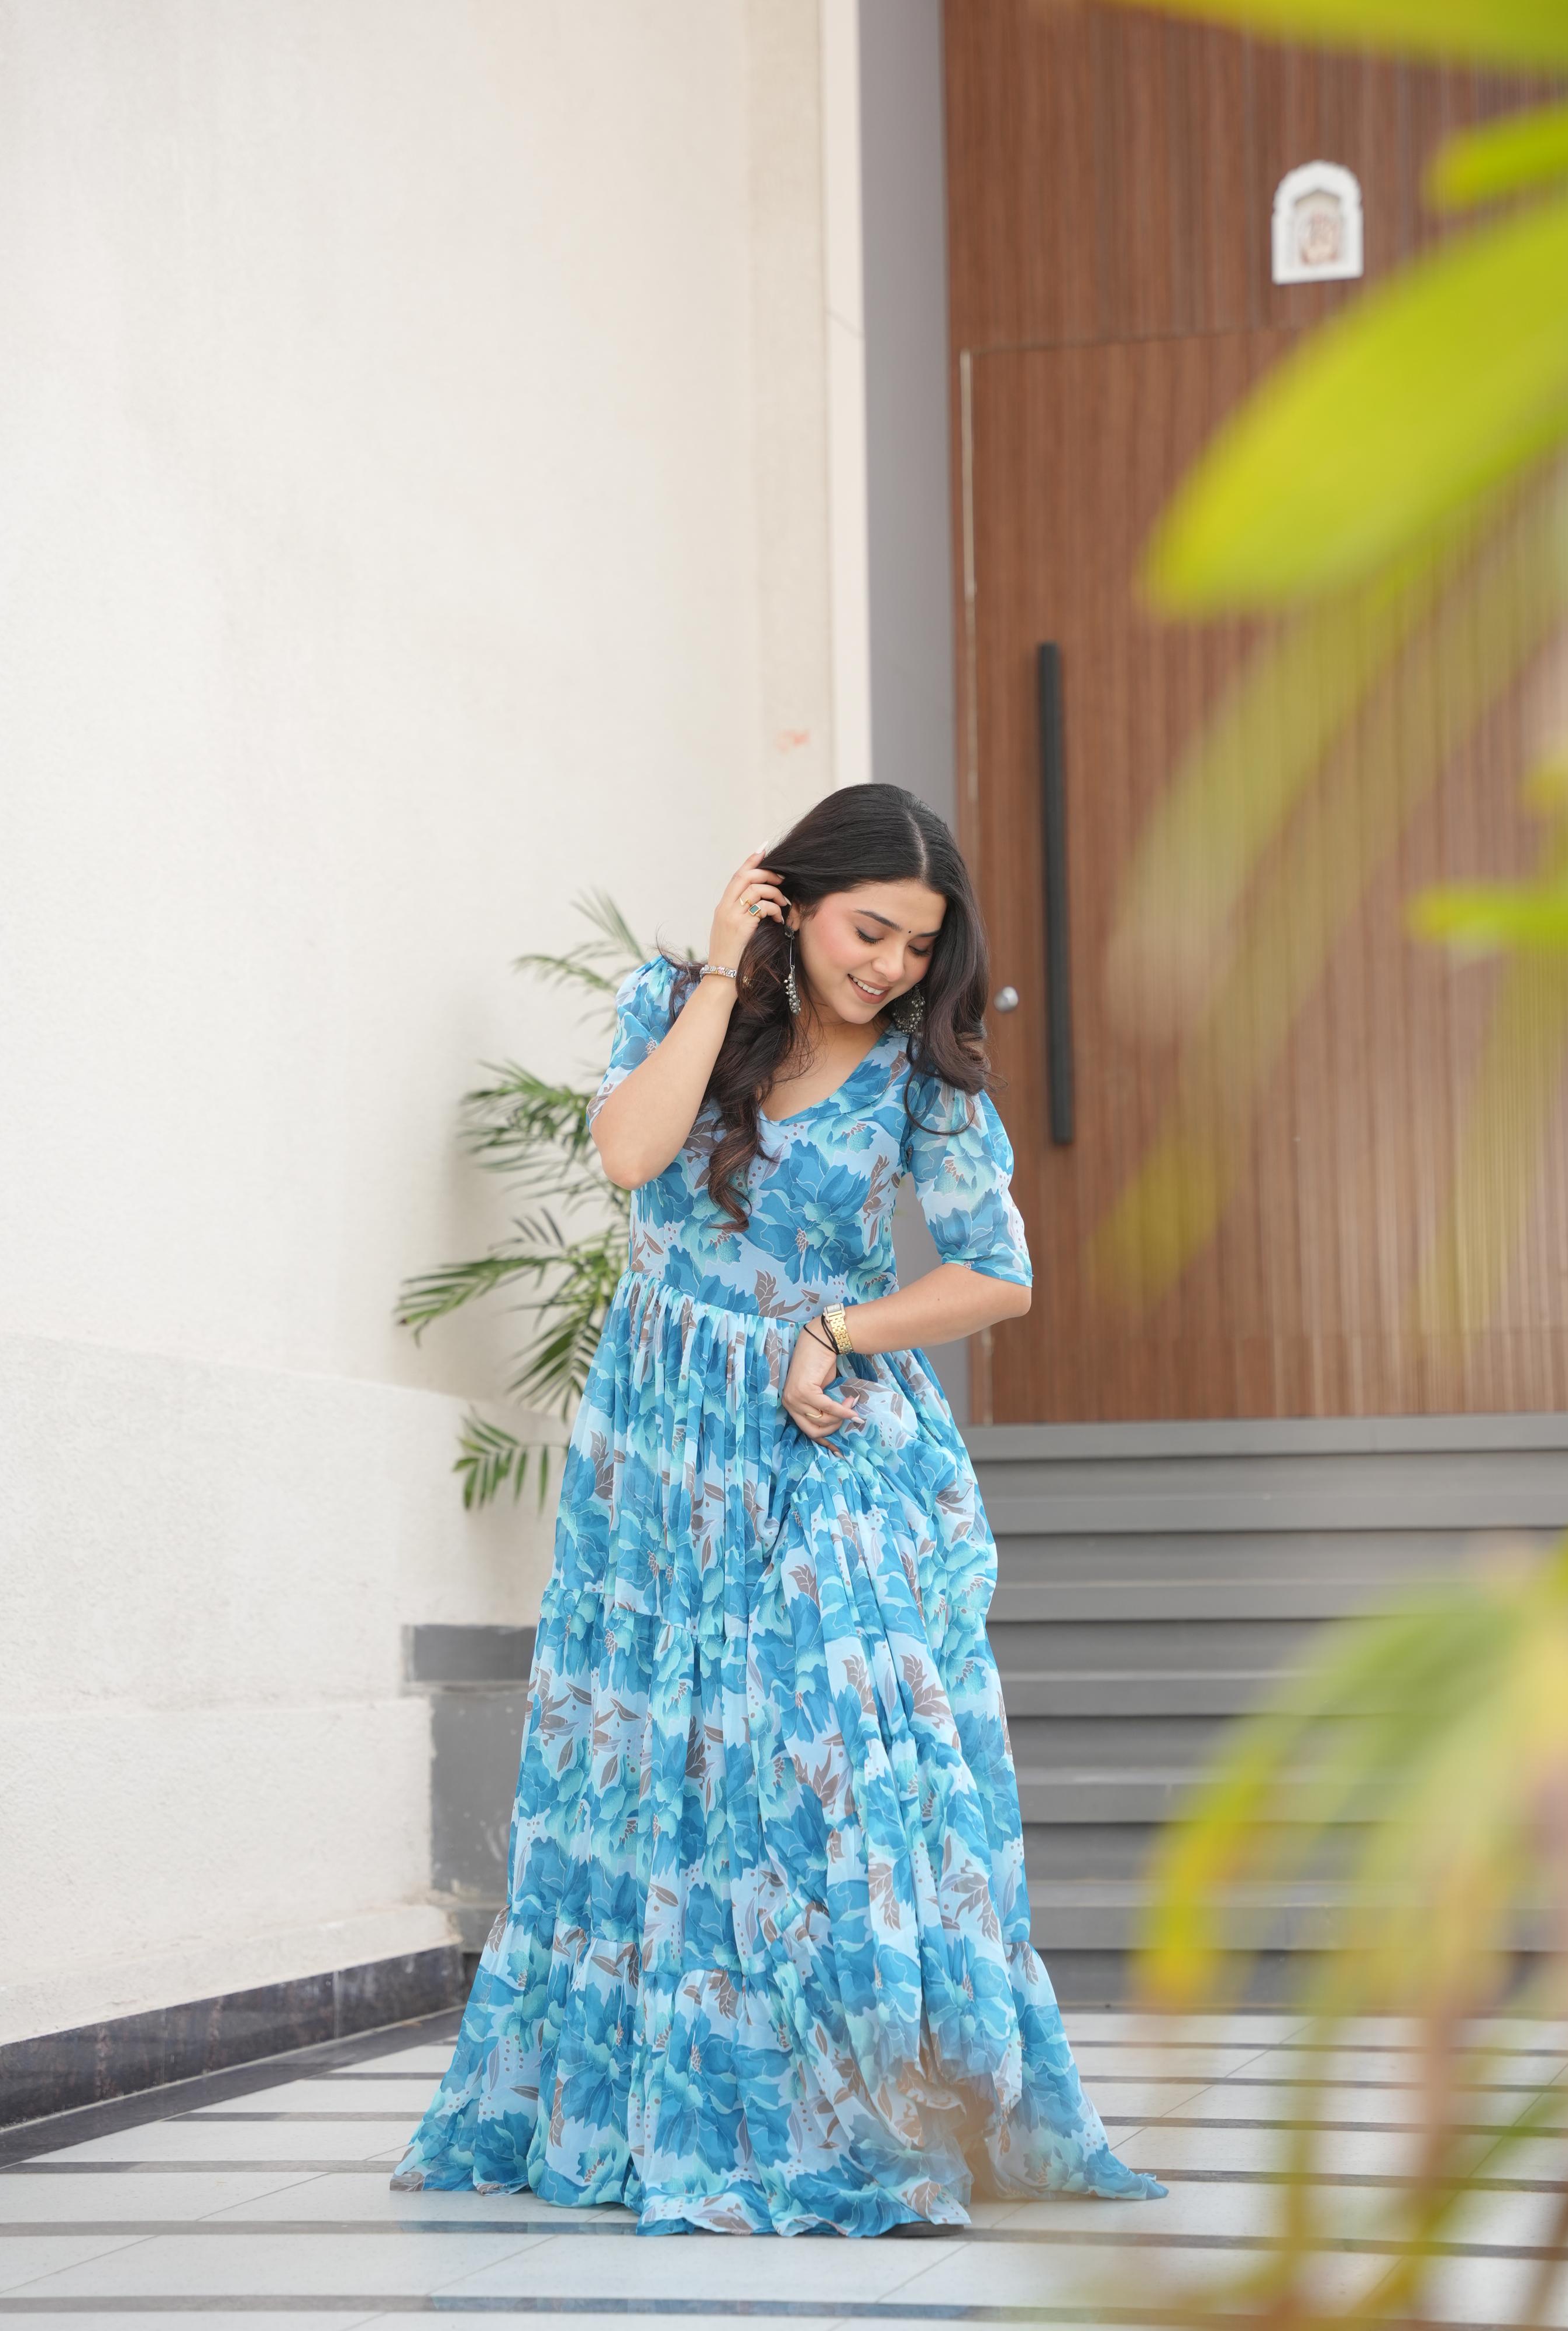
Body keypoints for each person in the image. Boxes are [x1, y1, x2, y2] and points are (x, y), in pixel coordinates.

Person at [390, 782, 1167, 2232]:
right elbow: (629, 1159)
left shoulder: (926, 1076)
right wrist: (712, 976)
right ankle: (676, 2099)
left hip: (825, 1435)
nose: (888, 966)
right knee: (653, 1766)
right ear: (790, 898)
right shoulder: (680, 1008)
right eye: (869, 928)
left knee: (840, 1768)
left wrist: (843, 1332)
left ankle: (869, 2102)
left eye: (917, 945)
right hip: (662, 1439)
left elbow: (997, 1272)